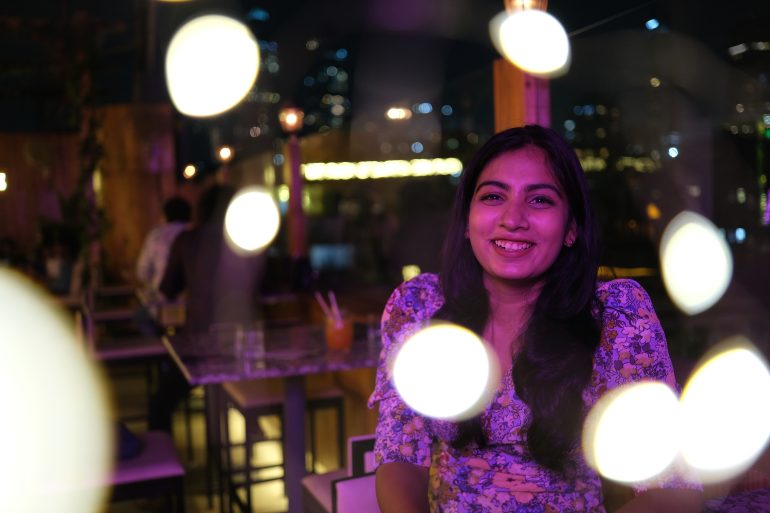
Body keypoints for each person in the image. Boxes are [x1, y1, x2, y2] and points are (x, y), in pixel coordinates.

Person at [368, 125, 703, 513]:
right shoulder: (419, 306)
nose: (513, 219)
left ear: (571, 228)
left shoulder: (616, 316)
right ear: (467, 218)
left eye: (540, 200)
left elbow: (675, 490)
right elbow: (400, 454)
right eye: (493, 196)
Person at [148, 183, 265, 432]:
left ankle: (168, 465)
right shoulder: (248, 241)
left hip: (201, 347)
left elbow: (167, 289)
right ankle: (251, 426)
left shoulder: (187, 240)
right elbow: (266, 285)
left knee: (158, 405)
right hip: (245, 351)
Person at [134, 196, 191, 332]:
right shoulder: (194, 234)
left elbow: (142, 272)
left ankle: (157, 349)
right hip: (192, 306)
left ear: (164, 215)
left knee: (140, 317)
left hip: (162, 305)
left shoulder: (156, 236)